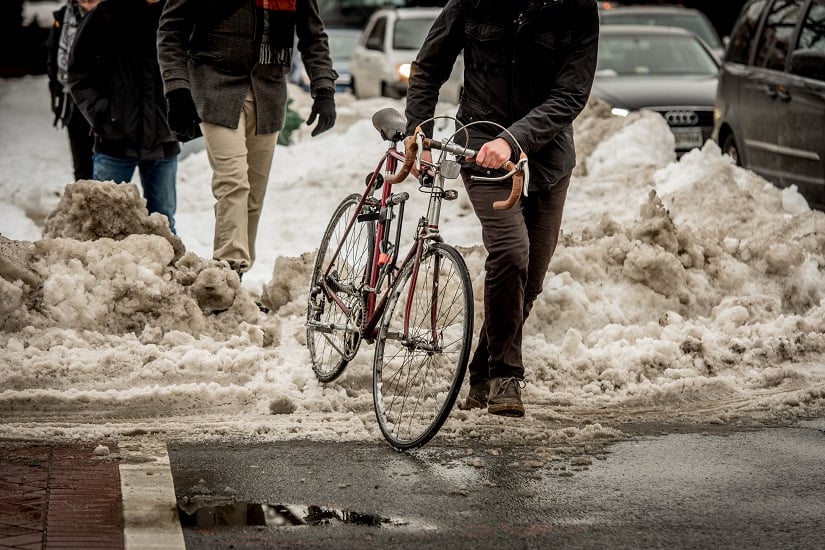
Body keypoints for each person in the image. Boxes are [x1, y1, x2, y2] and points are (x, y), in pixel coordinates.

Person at [405, 0, 599, 417]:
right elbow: (428, 66)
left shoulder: (577, 8)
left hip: (547, 158)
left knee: (528, 280)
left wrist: (514, 139)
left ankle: (480, 374)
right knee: (511, 252)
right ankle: (507, 374)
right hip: (480, 146)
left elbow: (571, 94)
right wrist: (416, 130)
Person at [157, 0, 338, 279]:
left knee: (253, 194)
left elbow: (313, 35)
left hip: (268, 92)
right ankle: (227, 269)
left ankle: (238, 274)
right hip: (216, 87)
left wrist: (324, 87)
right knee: (233, 182)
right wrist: (177, 89)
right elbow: (171, 32)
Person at [67, 0, 180, 234]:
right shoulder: (106, 14)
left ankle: (165, 271)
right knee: (101, 224)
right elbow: (78, 71)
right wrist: (102, 115)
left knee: (163, 225)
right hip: (114, 142)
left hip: (164, 140)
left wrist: (180, 110)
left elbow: (196, 65)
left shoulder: (177, 12)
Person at [46, 0, 100, 181]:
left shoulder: (113, 15)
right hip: (72, 101)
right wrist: (56, 93)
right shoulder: (64, 16)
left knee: (105, 165)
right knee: (82, 165)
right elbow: (53, 58)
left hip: (104, 101)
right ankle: (84, 206)